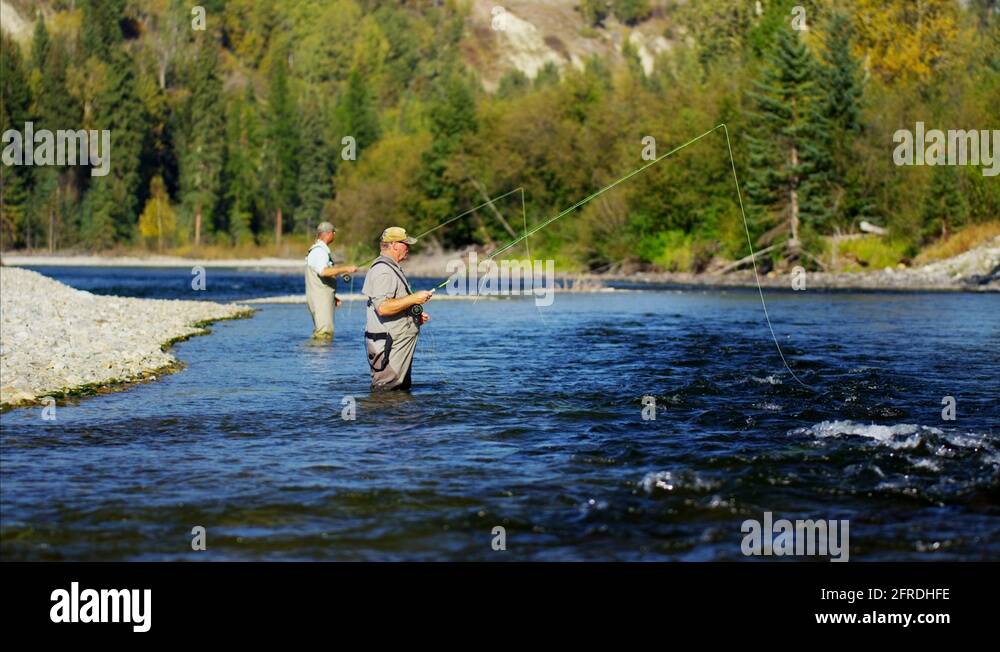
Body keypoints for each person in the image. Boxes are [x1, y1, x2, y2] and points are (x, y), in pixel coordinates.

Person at [362, 227, 433, 391]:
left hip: (395, 343)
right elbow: (383, 308)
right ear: (394, 245)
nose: (408, 248)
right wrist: (414, 298)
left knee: (399, 394)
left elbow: (392, 303)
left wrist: (413, 315)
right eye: (405, 244)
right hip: (390, 346)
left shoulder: (390, 268)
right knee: (386, 394)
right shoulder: (383, 271)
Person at [305, 222, 357, 339]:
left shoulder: (316, 250)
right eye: (334, 232)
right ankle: (323, 356)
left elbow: (319, 278)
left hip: (319, 298)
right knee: (324, 334)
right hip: (320, 299)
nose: (334, 235)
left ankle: (319, 354)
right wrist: (346, 268)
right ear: (328, 234)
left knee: (321, 332)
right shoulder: (320, 252)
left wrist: (332, 297)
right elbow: (323, 272)